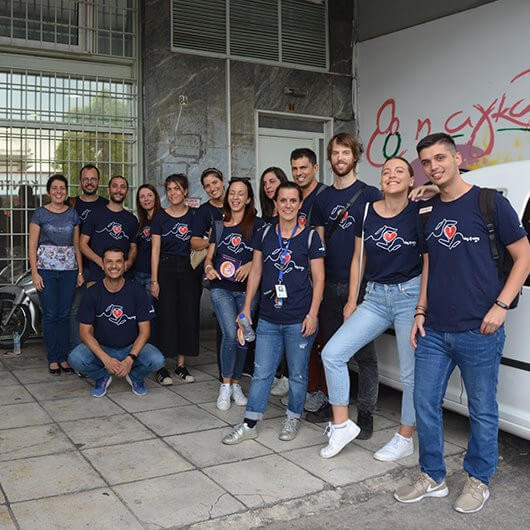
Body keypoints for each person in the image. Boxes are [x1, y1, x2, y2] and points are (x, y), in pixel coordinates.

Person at [394, 133, 530, 513]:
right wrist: (420, 311)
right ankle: (432, 476)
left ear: (457, 158)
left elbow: (524, 255)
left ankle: (478, 479)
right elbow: (428, 264)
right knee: (424, 403)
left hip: (480, 330)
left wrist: (501, 305)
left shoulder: (490, 203)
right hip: (434, 330)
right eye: (426, 162)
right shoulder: (427, 211)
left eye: (440, 158)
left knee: (482, 409)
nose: (434, 167)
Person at [320, 157, 427, 460]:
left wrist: (421, 306)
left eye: (399, 171)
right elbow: (359, 259)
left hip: (409, 296)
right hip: (375, 297)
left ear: (411, 181)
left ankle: (404, 437)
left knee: (411, 374)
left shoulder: (420, 212)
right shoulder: (366, 210)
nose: (391, 175)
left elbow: (429, 260)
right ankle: (342, 425)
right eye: (386, 171)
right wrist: (352, 301)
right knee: (333, 353)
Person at [222, 181, 325, 444]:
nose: (288, 205)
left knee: (298, 374)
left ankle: (293, 417)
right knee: (262, 373)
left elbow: (319, 279)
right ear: (276, 204)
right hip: (268, 318)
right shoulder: (265, 234)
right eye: (283, 200)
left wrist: (313, 314)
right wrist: (246, 308)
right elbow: (256, 272)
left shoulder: (311, 237)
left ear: (300, 205)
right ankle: (250, 423)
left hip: (299, 318)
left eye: (293, 200)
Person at [311, 132, 381, 435]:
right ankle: (334, 405)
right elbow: (317, 245)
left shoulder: (370, 194)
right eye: (336, 153)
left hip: (362, 286)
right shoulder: (322, 199)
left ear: (355, 157)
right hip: (328, 286)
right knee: (330, 351)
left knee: (365, 354)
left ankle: (366, 413)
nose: (340, 158)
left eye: (346, 152)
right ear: (329, 158)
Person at [68, 247, 164, 397]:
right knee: (75, 359)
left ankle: (135, 376)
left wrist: (130, 359)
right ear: (103, 264)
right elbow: (84, 333)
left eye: (119, 261)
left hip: (130, 347)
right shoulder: (92, 293)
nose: (114, 266)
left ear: (125, 265)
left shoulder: (137, 291)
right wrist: (105, 359)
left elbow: (145, 332)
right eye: (109, 262)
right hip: (102, 347)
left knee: (157, 360)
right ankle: (101, 377)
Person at [204, 178, 264, 410]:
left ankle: (237, 383)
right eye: (232, 193)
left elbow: (264, 257)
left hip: (248, 291)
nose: (236, 198)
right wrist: (209, 268)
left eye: (241, 194)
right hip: (221, 289)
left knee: (241, 336)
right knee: (230, 334)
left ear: (248, 199)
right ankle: (225, 384)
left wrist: (250, 265)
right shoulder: (219, 225)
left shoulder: (258, 225)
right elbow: (209, 258)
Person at [28, 174, 83, 374]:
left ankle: (64, 357)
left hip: (69, 271)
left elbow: (76, 245)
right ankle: (53, 357)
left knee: (64, 314)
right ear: (49, 191)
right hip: (46, 270)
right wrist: (35, 273)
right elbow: (32, 245)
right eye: (55, 188)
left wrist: (80, 271)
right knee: (50, 314)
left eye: (62, 188)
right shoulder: (40, 214)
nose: (58, 191)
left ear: (66, 191)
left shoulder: (72, 215)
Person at [151, 173, 200, 385]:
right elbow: (155, 250)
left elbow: (202, 241)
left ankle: (181, 364)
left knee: (187, 315)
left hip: (189, 269)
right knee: (165, 315)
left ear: (185, 191)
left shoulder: (195, 216)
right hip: (165, 268)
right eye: (169, 189)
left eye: (177, 189)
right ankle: (161, 366)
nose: (173, 193)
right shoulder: (160, 217)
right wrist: (154, 280)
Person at [290, 148, 328, 412]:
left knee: (321, 338)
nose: (299, 173)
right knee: (305, 338)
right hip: (297, 280)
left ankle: (322, 393)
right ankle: (308, 388)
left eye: (303, 168)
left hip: (319, 278)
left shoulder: (323, 197)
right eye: (295, 168)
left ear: (315, 168)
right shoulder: (294, 197)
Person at [69, 164, 108, 350]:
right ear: (80, 182)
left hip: (100, 267)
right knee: (75, 309)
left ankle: (99, 350)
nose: (89, 182)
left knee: (100, 310)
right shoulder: (71, 204)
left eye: (93, 179)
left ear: (98, 182)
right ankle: (76, 352)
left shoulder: (106, 205)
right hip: (75, 266)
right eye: (86, 179)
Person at [80, 175, 138, 286]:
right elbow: (82, 244)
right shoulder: (94, 214)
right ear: (108, 190)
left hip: (123, 279)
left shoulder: (132, 219)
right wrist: (100, 262)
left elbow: (133, 247)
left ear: (127, 191)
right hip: (97, 276)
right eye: (115, 186)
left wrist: (129, 262)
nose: (118, 190)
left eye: (123, 187)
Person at [134, 184, 161, 295]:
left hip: (154, 275)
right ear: (139, 201)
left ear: (155, 197)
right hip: (137, 273)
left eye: (149, 195)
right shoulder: (141, 222)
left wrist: (155, 280)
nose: (146, 199)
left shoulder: (164, 217)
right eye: (142, 196)